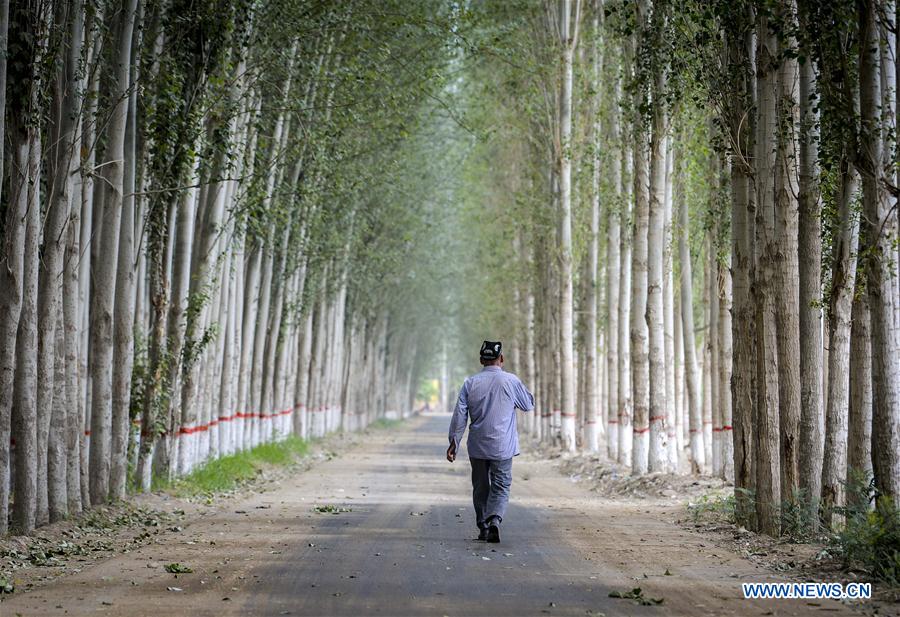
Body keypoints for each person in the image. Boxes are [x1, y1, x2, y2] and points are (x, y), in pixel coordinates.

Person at [446, 340, 534, 543]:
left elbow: (460, 415)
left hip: (477, 446)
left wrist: (454, 442)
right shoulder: (511, 381)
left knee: (480, 487)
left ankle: (483, 526)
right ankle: (494, 518)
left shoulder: (470, 383)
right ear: (501, 359)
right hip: (503, 447)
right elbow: (528, 405)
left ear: (481, 360)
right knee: (501, 485)